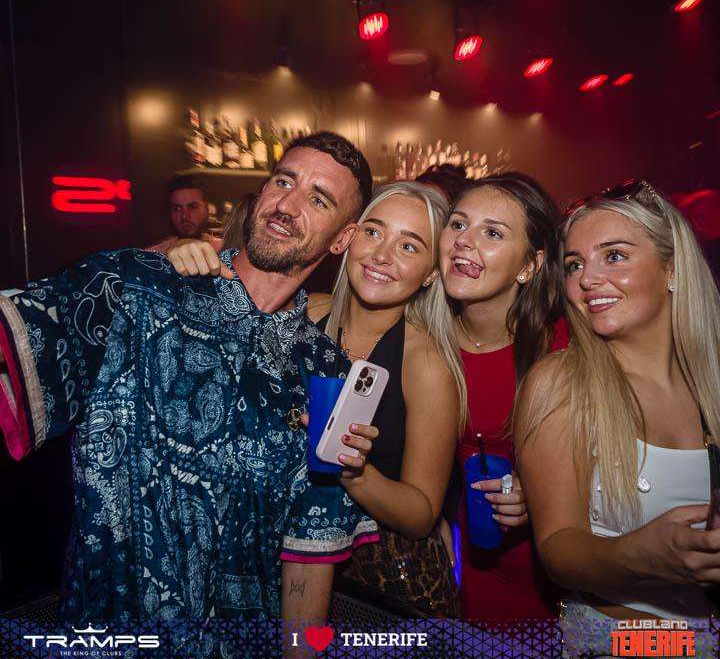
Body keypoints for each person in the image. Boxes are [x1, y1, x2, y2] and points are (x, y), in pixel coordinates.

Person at [0, 131, 377, 658]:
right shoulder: (135, 287)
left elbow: (307, 558)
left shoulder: (326, 375)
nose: (287, 205)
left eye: (319, 200)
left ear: (342, 238)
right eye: (283, 182)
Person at [167, 182, 468, 617]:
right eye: (373, 232)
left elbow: (422, 514)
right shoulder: (303, 313)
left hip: (378, 591)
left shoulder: (426, 363)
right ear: (347, 238)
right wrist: (182, 254)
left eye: (409, 246)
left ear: (431, 274)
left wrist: (353, 472)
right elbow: (227, 299)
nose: (382, 255)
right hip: (279, 565)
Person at [514, 180, 720, 657]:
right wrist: (640, 555)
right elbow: (557, 549)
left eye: (614, 256)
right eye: (574, 264)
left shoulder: (711, 381)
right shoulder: (560, 383)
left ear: (671, 267)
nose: (587, 278)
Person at [439, 173, 565, 622]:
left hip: (555, 579)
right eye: (458, 224)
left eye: (492, 233)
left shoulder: (562, 348)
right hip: (472, 567)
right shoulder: (425, 342)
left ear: (529, 266)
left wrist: (542, 493)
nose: (463, 241)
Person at [147, 175, 219, 254]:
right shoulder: (154, 256)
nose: (184, 216)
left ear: (207, 209)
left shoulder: (224, 252)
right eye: (177, 208)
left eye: (193, 207)